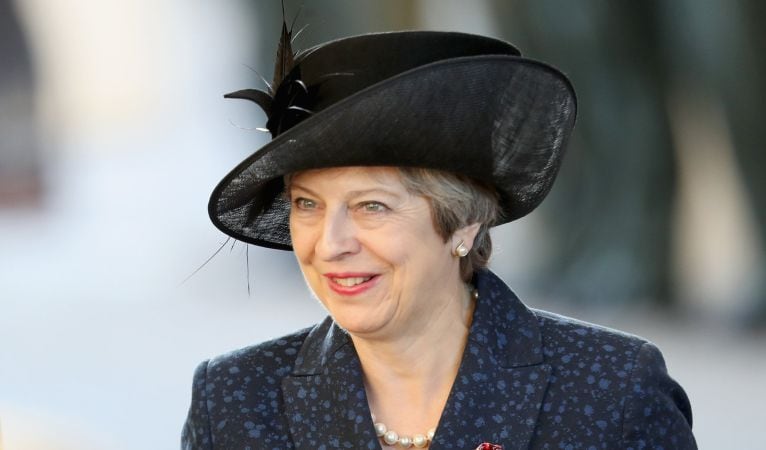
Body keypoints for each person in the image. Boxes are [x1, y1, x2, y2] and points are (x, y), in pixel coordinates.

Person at [182, 28, 696, 449]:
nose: (329, 243)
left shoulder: (613, 391)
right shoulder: (233, 400)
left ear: (464, 223)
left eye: (371, 206)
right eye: (307, 204)